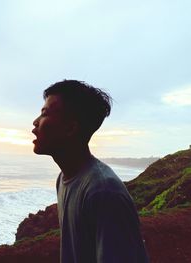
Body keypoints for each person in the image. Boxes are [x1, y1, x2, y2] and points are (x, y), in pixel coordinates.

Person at [32, 80, 149, 263]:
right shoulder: (64, 178)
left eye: (45, 114)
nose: (35, 122)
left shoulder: (103, 191)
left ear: (70, 128)